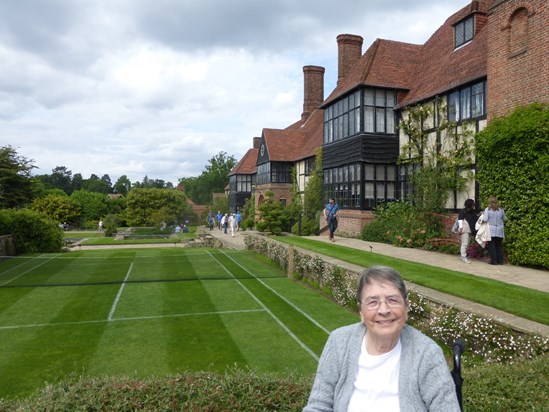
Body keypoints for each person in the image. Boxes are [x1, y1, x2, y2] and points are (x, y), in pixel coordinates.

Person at [303, 266, 460, 412]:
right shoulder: (339, 342)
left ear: (406, 307)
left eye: (392, 300)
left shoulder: (427, 354)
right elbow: (318, 406)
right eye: (373, 302)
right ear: (361, 311)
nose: (384, 310)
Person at [482, 196, 507, 265]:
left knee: (492, 245)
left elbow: (485, 219)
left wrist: (482, 217)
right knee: (499, 246)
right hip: (500, 229)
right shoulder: (501, 209)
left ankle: (494, 261)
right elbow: (505, 219)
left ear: (489, 202)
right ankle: (500, 261)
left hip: (491, 229)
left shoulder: (488, 209)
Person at [457, 199, 478, 264]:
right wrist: (460, 228)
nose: (473, 205)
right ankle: (463, 256)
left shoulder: (472, 212)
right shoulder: (463, 211)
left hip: (470, 230)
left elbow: (475, 218)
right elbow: (460, 219)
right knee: (465, 243)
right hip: (464, 229)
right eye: (472, 204)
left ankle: (463, 255)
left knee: (467, 243)